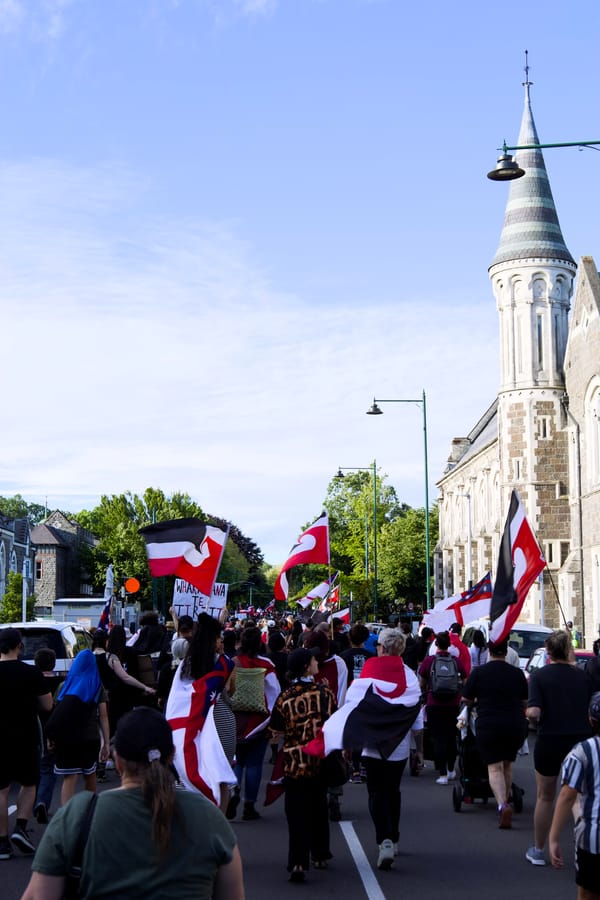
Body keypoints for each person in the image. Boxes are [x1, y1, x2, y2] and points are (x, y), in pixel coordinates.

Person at [21, 706, 245, 900]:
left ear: (117, 761)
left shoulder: (78, 815)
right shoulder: (210, 818)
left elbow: (38, 895)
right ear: (171, 756)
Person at [525, 629, 593, 866]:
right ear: (568, 650)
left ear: (549, 651)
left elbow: (534, 711)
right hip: (579, 742)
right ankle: (582, 847)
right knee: (577, 796)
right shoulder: (583, 676)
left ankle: (538, 850)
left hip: (550, 740)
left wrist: (530, 716)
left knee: (545, 796)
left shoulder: (539, 677)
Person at [269, 648, 336, 883]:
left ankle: (297, 861)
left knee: (296, 812)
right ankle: (319, 854)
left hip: (294, 761)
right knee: (318, 806)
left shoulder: (285, 696)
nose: (317, 662)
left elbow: (276, 731)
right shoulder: (325, 693)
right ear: (308, 667)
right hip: (319, 759)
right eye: (314, 660)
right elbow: (333, 722)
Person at [360, 628, 424, 870]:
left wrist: (348, 740)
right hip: (398, 745)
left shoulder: (369, 670)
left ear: (383, 648)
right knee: (392, 790)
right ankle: (393, 836)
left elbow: (355, 704)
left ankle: (384, 840)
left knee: (376, 793)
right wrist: (419, 750)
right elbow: (417, 716)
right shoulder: (409, 676)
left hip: (373, 743)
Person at [166, 613, 236, 812]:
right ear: (210, 641)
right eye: (218, 638)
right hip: (217, 723)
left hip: (210, 727)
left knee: (205, 774)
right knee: (219, 775)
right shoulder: (222, 664)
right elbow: (230, 689)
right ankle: (218, 823)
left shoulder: (185, 666)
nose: (221, 642)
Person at [461, 639, 528, 829]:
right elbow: (525, 702)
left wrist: (475, 701)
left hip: (489, 723)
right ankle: (505, 799)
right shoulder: (517, 673)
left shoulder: (479, 673)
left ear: (489, 652)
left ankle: (502, 805)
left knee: (494, 767)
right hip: (515, 724)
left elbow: (466, 698)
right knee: (507, 765)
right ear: (506, 653)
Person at [0, 627, 53, 859]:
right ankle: (20, 827)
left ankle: (2, 843)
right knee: (30, 783)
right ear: (19, 646)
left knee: (1, 790)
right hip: (26, 735)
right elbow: (47, 705)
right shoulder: (31, 673)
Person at [549, 691, 600, 900]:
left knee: (588, 892)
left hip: (593, 837)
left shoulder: (582, 752)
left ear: (590, 719)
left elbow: (567, 796)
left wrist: (553, 838)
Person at [229, 625, 281, 821]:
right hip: (259, 720)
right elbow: (274, 692)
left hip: (235, 719)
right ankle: (249, 805)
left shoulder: (232, 663)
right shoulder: (266, 664)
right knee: (254, 764)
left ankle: (234, 789)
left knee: (237, 760)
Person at [49, 649, 110, 807]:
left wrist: (51, 737)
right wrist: (107, 744)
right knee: (90, 775)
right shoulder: (97, 685)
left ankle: (66, 818)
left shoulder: (64, 685)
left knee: (70, 778)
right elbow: (103, 716)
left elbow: (57, 714)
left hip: (67, 738)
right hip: (89, 737)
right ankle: (88, 811)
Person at [419, 630, 468, 784]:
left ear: (437, 644)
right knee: (451, 737)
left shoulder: (429, 661)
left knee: (438, 738)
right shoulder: (456, 661)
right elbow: (465, 680)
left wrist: (425, 692)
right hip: (453, 704)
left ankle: (442, 775)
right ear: (449, 645)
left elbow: (422, 681)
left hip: (434, 704)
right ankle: (452, 769)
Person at [94, 625, 156, 736]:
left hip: (106, 696)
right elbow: (128, 676)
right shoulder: (126, 653)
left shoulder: (100, 655)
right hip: (127, 696)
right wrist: (144, 687)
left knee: (108, 726)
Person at [340, 624, 373, 783]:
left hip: (349, 697)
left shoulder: (343, 656)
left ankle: (355, 767)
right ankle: (363, 765)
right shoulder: (371, 657)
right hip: (366, 698)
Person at [32, 649, 62, 825]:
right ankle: (42, 801)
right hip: (54, 731)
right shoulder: (61, 682)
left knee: (35, 769)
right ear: (54, 663)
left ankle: (35, 801)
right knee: (48, 769)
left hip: (33, 730)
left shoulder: (32, 681)